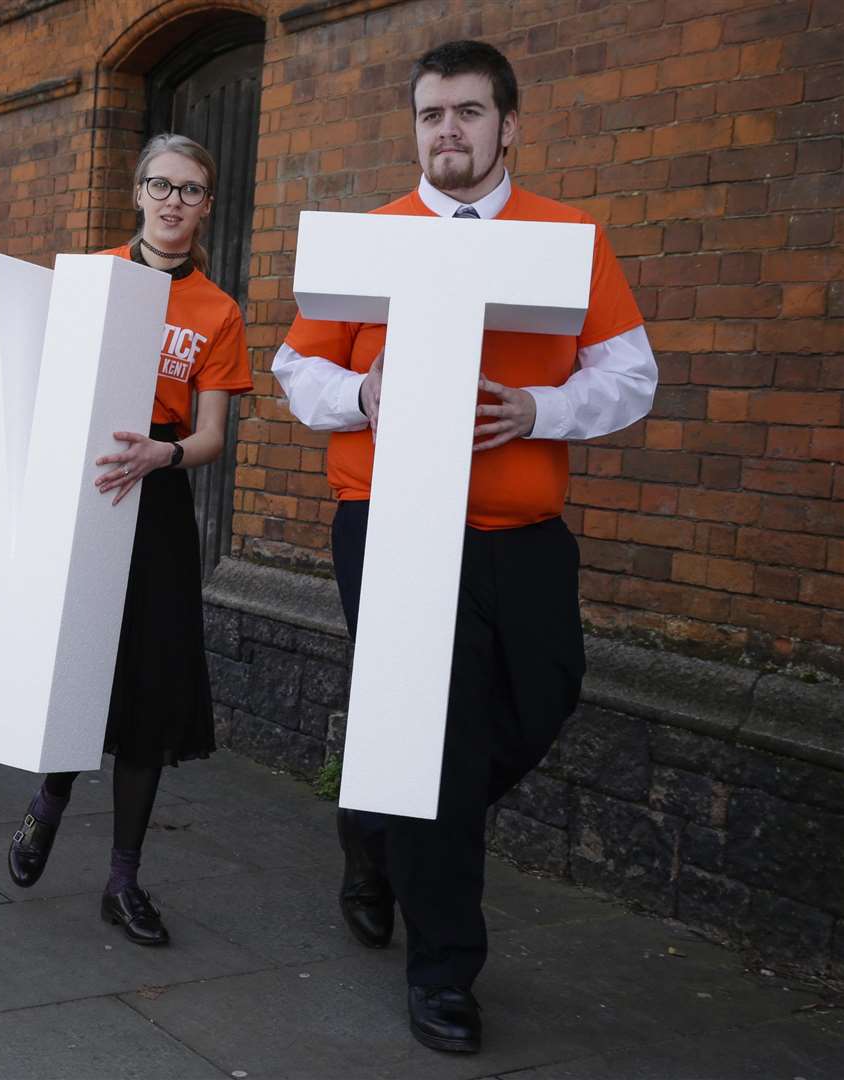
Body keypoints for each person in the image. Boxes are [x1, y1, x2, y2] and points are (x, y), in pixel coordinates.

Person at [273, 40, 657, 1055]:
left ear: (508, 125)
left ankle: (378, 820)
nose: (448, 130)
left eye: (469, 113)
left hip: (522, 534)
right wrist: (362, 393)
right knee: (439, 753)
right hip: (391, 526)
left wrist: (539, 406)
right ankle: (444, 971)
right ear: (415, 128)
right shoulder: (375, 241)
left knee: (547, 696)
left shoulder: (567, 238)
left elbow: (632, 377)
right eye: (432, 114)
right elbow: (293, 371)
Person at [4, 133, 252, 947]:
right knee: (80, 660)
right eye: (161, 185)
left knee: (148, 685)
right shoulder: (90, 280)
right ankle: (50, 799)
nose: (174, 201)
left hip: (158, 495)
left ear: (205, 205)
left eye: (191, 189)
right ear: (138, 193)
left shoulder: (218, 310)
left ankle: (123, 878)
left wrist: (164, 453)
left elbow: (212, 434)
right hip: (86, 489)